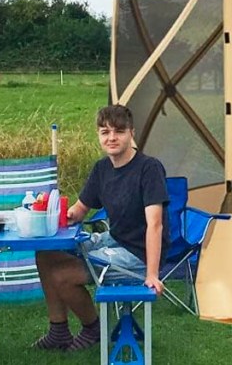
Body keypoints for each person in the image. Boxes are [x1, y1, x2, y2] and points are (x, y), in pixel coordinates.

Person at [33, 104, 168, 351]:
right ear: (99, 135)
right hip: (114, 239)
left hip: (138, 252)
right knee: (45, 254)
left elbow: (155, 224)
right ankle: (58, 332)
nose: (112, 137)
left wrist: (152, 274)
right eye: (105, 132)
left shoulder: (149, 168)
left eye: (119, 131)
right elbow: (80, 210)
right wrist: (51, 211)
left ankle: (92, 327)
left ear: (132, 133)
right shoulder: (102, 169)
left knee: (62, 275)